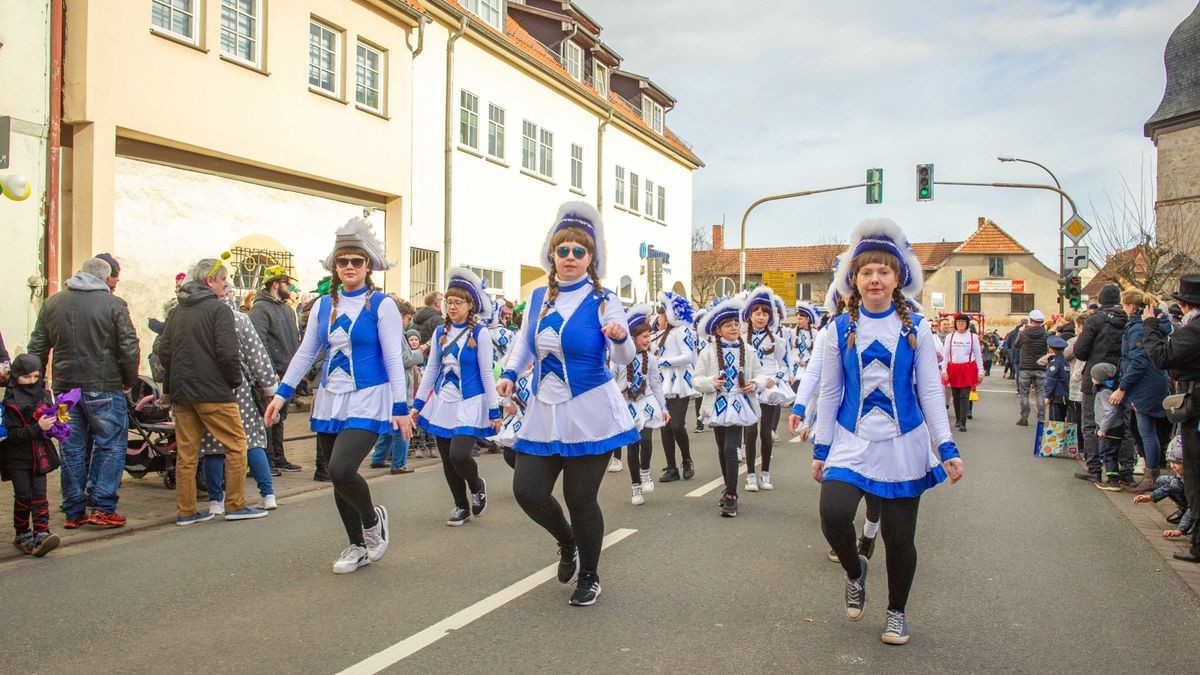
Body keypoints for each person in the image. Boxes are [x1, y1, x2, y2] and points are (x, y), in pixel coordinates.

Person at [810, 219, 964, 646]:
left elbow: (931, 391)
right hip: (850, 441)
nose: (874, 279)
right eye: (866, 272)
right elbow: (831, 391)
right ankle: (855, 570)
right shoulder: (838, 329)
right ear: (853, 280)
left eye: (883, 271)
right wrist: (822, 448)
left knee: (900, 539)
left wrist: (945, 446)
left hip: (903, 444)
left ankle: (897, 612)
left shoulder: (918, 329)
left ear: (898, 279)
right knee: (834, 514)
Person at [495, 201, 638, 607]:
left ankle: (590, 574)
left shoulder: (603, 299)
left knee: (580, 498)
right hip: (544, 409)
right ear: (552, 255)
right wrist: (509, 375)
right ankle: (566, 540)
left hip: (590, 411)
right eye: (564, 250)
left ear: (591, 259)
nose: (570, 257)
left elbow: (626, 358)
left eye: (579, 251)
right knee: (528, 489)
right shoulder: (539, 296)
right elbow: (524, 346)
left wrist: (618, 335)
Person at [264, 218, 413, 573]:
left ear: (368, 267)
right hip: (331, 396)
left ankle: (372, 519)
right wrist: (281, 394)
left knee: (341, 468)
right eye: (343, 261)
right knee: (336, 477)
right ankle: (357, 545)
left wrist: (400, 406)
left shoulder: (381, 305)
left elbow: (393, 356)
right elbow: (305, 352)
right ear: (335, 266)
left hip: (369, 395)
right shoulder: (322, 306)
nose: (349, 267)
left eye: (356, 262)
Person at [28, 257, 139, 529]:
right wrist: (129, 380)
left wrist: (36, 386)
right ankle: (101, 505)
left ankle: (74, 509)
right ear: (104, 278)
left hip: (66, 390)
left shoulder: (53, 303)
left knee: (71, 446)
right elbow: (128, 347)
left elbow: (38, 347)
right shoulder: (114, 304)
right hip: (103, 386)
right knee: (110, 444)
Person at [160, 258, 270, 525]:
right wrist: (233, 382)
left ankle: (186, 511)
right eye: (223, 280)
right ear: (210, 281)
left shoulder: (177, 312)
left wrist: (171, 385)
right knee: (236, 445)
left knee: (187, 454)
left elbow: (164, 352)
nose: (226, 285)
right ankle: (235, 504)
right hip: (214, 392)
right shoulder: (219, 310)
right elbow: (228, 353)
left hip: (184, 393)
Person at [412, 267, 500, 526]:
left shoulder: (479, 333)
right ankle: (460, 505)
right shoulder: (440, 333)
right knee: (447, 460)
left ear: (470, 305)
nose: (452, 307)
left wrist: (494, 410)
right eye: (449, 302)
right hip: (442, 403)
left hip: (470, 403)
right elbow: (431, 370)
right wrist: (418, 404)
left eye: (458, 302)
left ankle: (476, 485)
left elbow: (487, 373)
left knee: (459, 455)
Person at [197, 282, 281, 513]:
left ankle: (216, 500)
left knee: (213, 443)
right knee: (251, 439)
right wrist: (270, 389)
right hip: (238, 387)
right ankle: (267, 494)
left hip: (207, 388)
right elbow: (258, 357)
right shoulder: (239, 320)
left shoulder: (199, 319)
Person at [1141, 275, 1200, 563]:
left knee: (1195, 473)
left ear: (1185, 304)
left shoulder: (1194, 330)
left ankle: (1198, 545)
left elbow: (1162, 357)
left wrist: (1150, 326)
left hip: (1196, 407)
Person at [694, 297, 765, 517]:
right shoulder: (707, 352)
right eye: (728, 325)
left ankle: (732, 496)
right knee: (721, 448)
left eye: (736, 324)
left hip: (738, 404)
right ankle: (728, 489)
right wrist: (711, 383)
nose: (734, 328)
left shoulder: (750, 351)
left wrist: (755, 384)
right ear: (718, 329)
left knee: (730, 448)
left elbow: (760, 375)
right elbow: (696, 380)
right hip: (717, 404)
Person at [2, 354, 62, 556]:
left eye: (36, 376)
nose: (32, 381)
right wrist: (38, 427)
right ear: (17, 375)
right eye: (26, 377)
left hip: (40, 453)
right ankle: (22, 534)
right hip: (17, 458)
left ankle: (42, 533)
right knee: (23, 496)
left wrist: (58, 422)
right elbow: (13, 435)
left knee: (39, 495)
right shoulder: (10, 402)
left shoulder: (43, 395)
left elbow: (50, 421)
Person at [1112, 290, 1172, 494]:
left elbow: (1138, 361)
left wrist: (1122, 388)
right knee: (1142, 430)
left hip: (1144, 383)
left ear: (1131, 307)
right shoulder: (1146, 325)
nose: (1123, 309)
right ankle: (1150, 471)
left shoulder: (1138, 328)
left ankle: (1151, 475)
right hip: (1152, 380)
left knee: (1146, 430)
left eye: (1124, 305)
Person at [1071, 283, 1129, 482]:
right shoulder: (1128, 320)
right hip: (1121, 378)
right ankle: (1123, 470)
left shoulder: (1095, 321)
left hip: (1094, 377)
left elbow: (1080, 351)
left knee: (1090, 423)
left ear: (1101, 301)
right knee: (1123, 425)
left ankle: (1094, 468)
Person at [248, 265, 302, 473]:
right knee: (268, 416)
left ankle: (279, 456)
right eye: (286, 283)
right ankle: (267, 459)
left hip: (288, 372)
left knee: (281, 417)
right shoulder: (260, 309)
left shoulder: (287, 309)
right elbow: (258, 342)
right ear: (275, 284)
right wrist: (269, 372)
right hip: (272, 374)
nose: (289, 288)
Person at [613, 304, 668, 505]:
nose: (648, 340)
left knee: (646, 440)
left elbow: (656, 384)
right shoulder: (618, 359)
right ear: (633, 338)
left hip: (646, 403)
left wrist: (663, 408)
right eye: (644, 337)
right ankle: (636, 487)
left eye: (649, 336)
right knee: (632, 446)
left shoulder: (651, 359)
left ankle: (645, 471)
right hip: (627, 404)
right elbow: (611, 382)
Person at [741, 287, 793, 491]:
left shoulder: (778, 341)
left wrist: (775, 379)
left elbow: (786, 365)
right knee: (750, 431)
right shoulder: (742, 339)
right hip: (751, 386)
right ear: (750, 316)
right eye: (757, 314)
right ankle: (751, 475)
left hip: (770, 387)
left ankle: (766, 473)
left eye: (764, 314)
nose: (761, 317)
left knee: (765, 432)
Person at [370, 298, 422, 474]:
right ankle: (399, 463)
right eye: (408, 318)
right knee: (402, 425)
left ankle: (378, 457)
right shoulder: (396, 332)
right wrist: (419, 353)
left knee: (389, 422)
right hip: (400, 386)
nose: (408, 323)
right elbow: (404, 359)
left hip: (389, 385)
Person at [654, 291, 698, 483]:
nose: (659, 318)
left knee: (677, 424)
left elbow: (689, 356)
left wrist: (663, 361)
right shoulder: (660, 334)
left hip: (680, 382)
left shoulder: (683, 331)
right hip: (663, 383)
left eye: (662, 314)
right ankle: (671, 467)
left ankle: (687, 460)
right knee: (665, 426)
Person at [1133, 438, 1193, 535]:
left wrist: (1180, 530)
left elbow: (1194, 505)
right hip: (1191, 504)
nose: (1172, 466)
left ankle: (1193, 522)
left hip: (1195, 506)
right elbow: (1169, 487)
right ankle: (1184, 510)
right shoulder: (1182, 475)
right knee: (1165, 480)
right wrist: (1151, 496)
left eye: (1176, 462)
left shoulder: (1195, 480)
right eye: (1170, 462)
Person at [941, 313, 983, 432]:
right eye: (958, 322)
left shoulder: (972, 337)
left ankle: (963, 421)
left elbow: (978, 354)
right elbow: (946, 354)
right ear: (955, 323)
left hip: (968, 368)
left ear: (967, 324)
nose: (961, 324)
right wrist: (944, 370)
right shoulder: (950, 337)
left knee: (964, 395)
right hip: (953, 368)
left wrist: (981, 371)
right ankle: (958, 418)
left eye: (963, 322)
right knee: (956, 395)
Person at [1090, 362, 1127, 492]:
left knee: (1107, 453)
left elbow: (1111, 411)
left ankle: (1113, 481)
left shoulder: (1104, 392)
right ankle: (1115, 478)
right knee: (1112, 453)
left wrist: (1102, 429)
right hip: (1114, 427)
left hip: (1110, 429)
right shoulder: (1110, 389)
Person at [1014, 310, 1049, 426]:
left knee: (1024, 393)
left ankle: (1024, 417)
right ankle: (1041, 418)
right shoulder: (1046, 334)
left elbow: (1016, 345)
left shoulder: (1024, 333)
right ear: (1042, 322)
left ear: (1030, 320)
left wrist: (1020, 332)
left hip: (1025, 367)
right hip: (1041, 367)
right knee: (1040, 393)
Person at [1043, 336, 1070, 422]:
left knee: (1055, 421)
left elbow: (1051, 380)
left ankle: (1055, 436)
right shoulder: (1064, 361)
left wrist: (1048, 396)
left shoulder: (1054, 363)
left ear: (1050, 349)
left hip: (1056, 396)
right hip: (1064, 395)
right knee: (1061, 419)